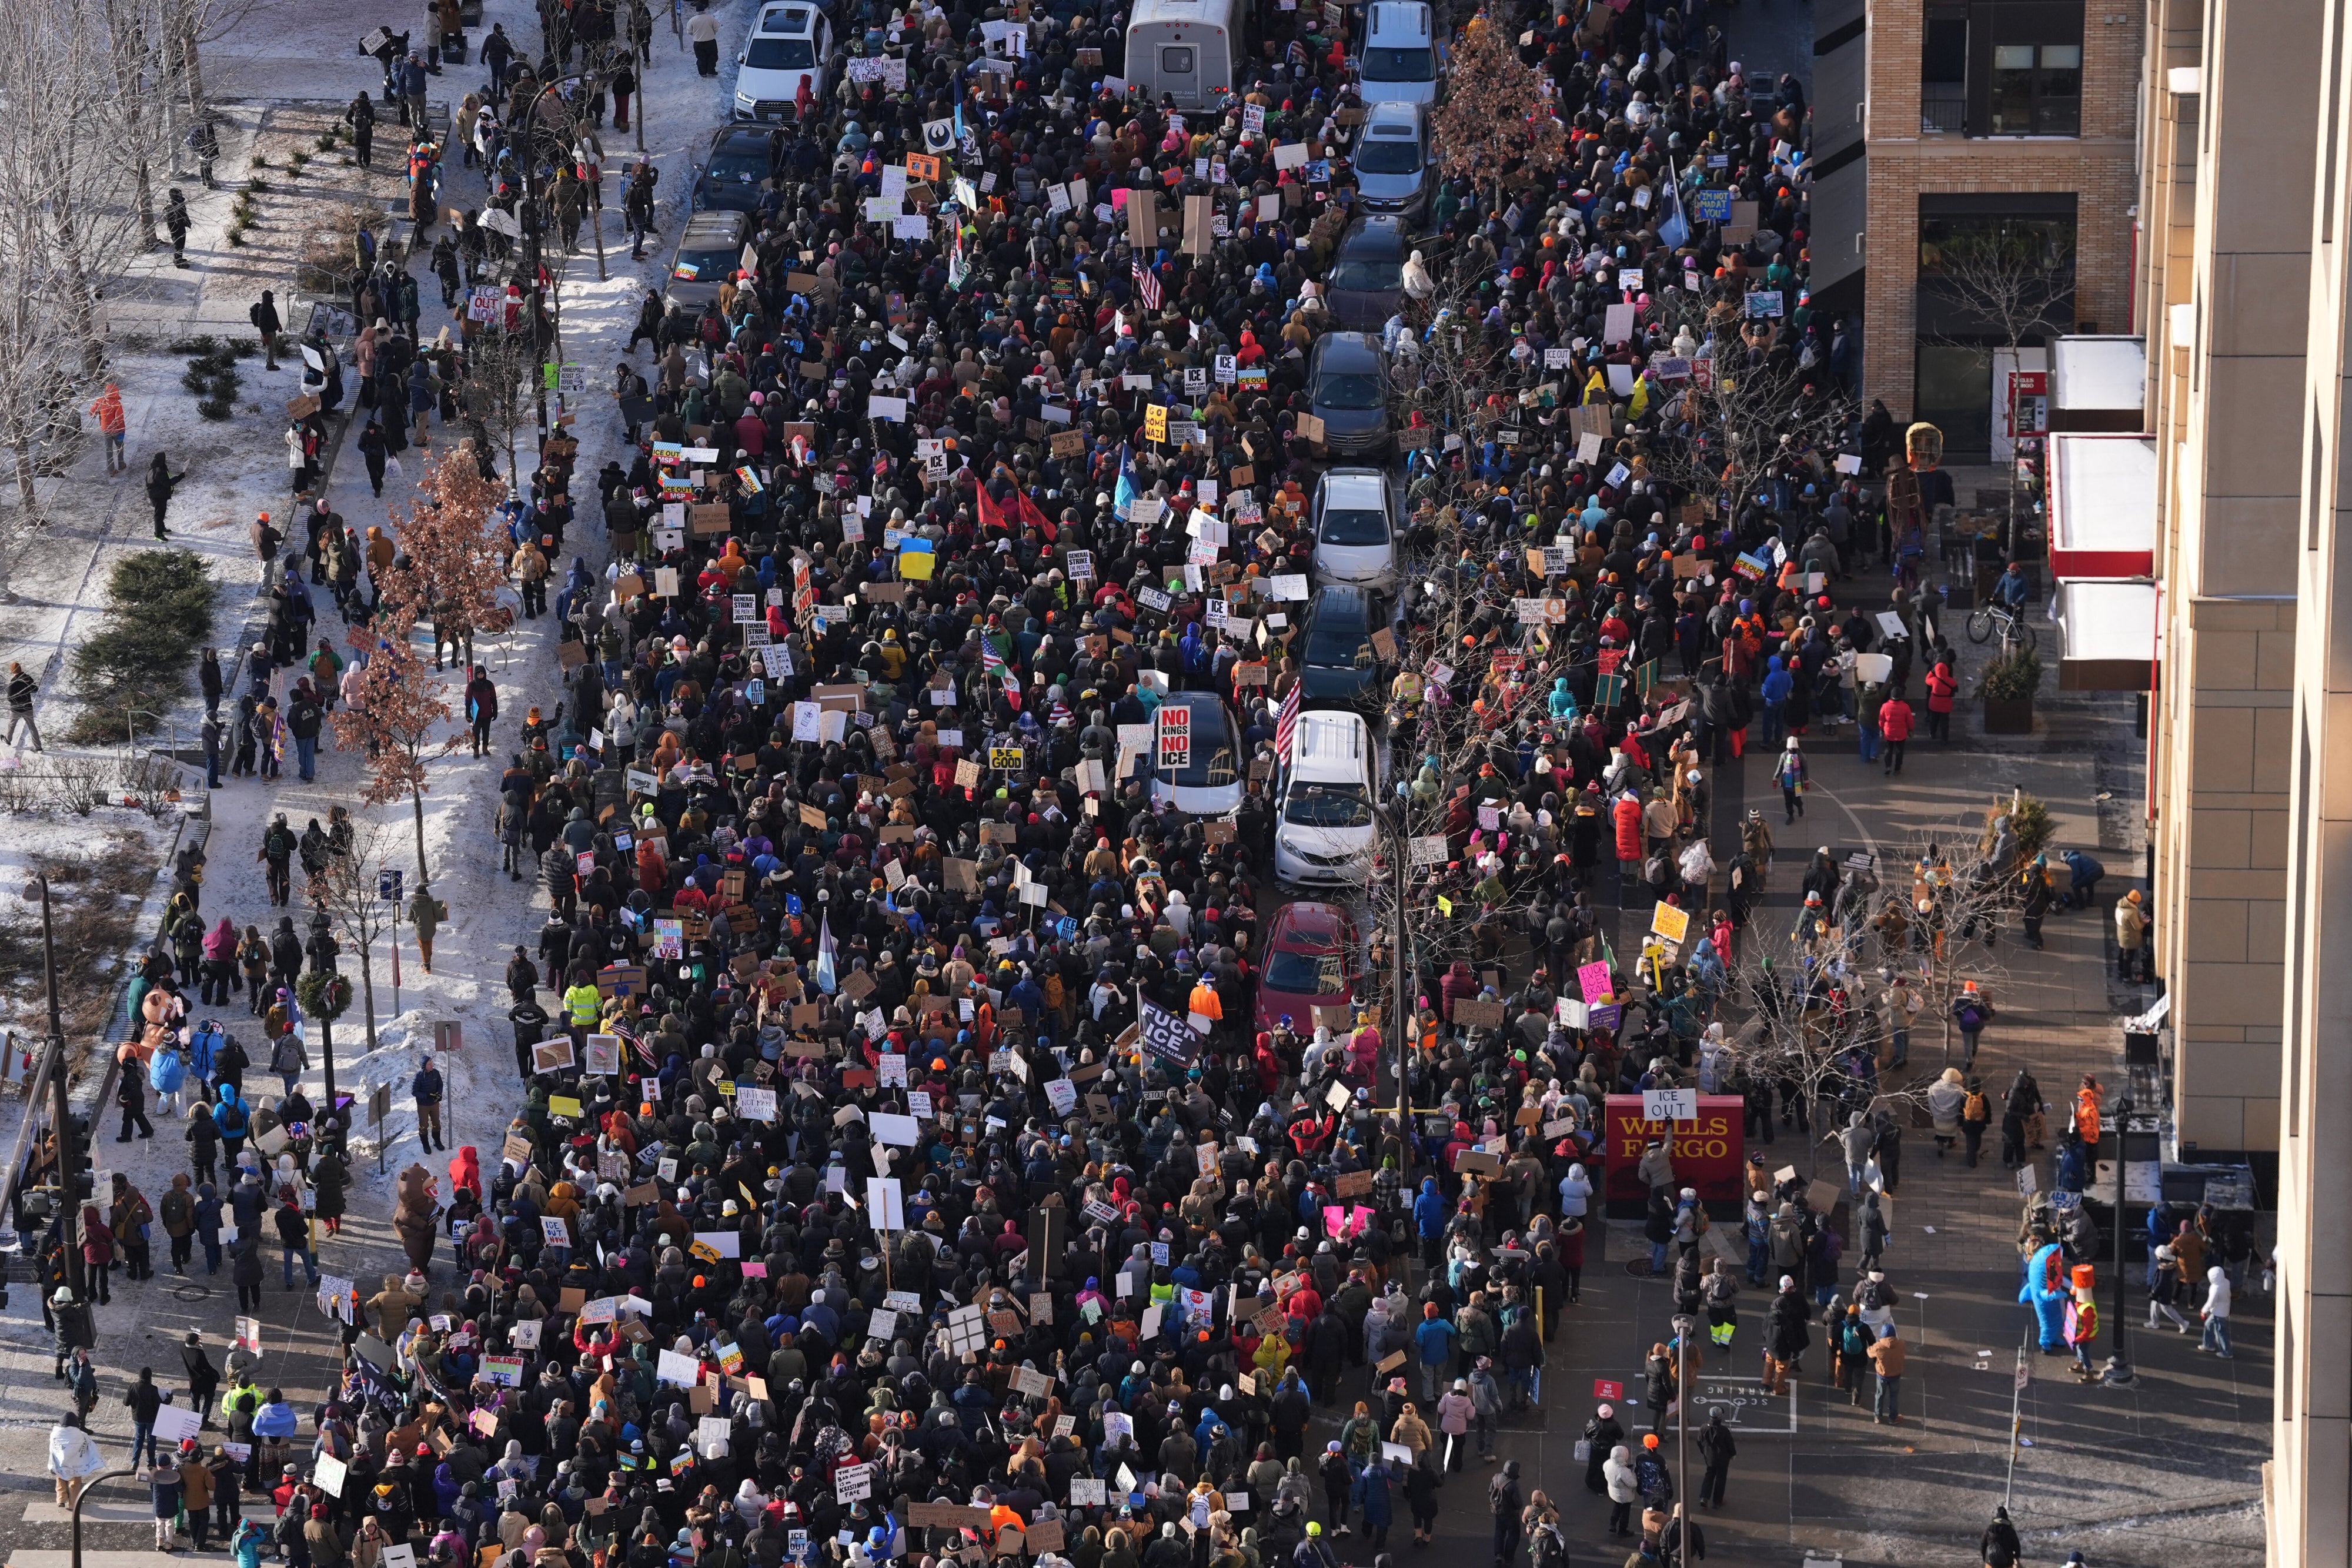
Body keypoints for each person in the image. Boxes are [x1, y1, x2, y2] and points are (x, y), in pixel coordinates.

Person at [1866, 1325, 1905, 1423]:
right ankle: (1893, 1418)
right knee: (1894, 1397)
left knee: (1879, 1395)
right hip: (1896, 1375)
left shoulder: (1879, 1347)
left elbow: (1869, 1352)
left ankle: (1878, 1417)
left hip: (1882, 1375)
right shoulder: (1901, 1344)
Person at [408, 884, 446, 972]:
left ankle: (426, 966)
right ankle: (429, 958)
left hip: (420, 930)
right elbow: (438, 914)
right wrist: (444, 907)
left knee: (423, 946)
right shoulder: (431, 902)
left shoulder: (413, 904)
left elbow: (409, 918)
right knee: (429, 942)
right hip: (431, 928)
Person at [2199, 1263, 2234, 1358]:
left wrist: (2204, 1311)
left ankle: (2227, 1352)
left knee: (2221, 1333)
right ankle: (2208, 1345)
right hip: (2223, 1310)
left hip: (2218, 1313)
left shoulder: (2215, 1288)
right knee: (2209, 1325)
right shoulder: (2226, 1282)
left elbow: (2211, 1303)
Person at [412, 1052, 445, 1152]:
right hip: (423, 1105)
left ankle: (437, 1141)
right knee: (424, 1126)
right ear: (424, 1066)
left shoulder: (436, 1073)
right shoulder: (419, 1076)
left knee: (436, 1123)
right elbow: (414, 1092)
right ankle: (426, 1145)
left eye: (432, 1063)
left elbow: (440, 1084)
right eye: (429, 1064)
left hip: (434, 1104)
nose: (432, 1065)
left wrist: (439, 1094)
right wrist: (426, 1095)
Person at [7, 661, 42, 751]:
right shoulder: (27, 678)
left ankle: (8, 740)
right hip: (27, 708)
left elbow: (10, 698)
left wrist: (18, 700)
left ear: (12, 671)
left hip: (16, 709)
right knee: (32, 727)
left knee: (12, 725)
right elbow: (35, 689)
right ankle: (38, 747)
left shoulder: (13, 682)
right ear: (20, 669)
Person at [1773, 736, 1807, 824]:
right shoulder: (1784, 755)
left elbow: (1805, 769)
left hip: (1798, 783)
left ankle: (1800, 806)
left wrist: (1806, 781)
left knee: (1797, 800)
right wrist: (1776, 777)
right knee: (1788, 801)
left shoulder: (1802, 756)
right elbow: (1780, 767)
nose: (1792, 750)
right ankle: (1790, 815)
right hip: (1786, 783)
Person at [249, 291, 282, 370]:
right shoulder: (263, 308)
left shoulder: (270, 305)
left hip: (272, 329)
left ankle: (269, 363)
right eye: (271, 297)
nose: (272, 299)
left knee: (272, 347)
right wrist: (264, 335)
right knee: (270, 348)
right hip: (268, 332)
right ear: (267, 298)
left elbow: (274, 316)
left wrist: (278, 324)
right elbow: (261, 323)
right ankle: (270, 365)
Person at [164, 188, 192, 267]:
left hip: (180, 226)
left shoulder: (178, 203)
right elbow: (172, 219)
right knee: (178, 244)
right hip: (176, 228)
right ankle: (178, 262)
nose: (180, 196)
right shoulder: (172, 206)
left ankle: (179, 258)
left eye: (181, 194)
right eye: (178, 195)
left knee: (182, 242)